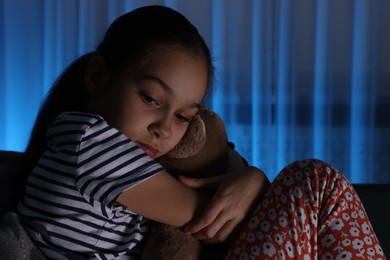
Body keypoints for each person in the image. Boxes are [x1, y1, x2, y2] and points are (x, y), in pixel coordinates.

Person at [16, 5, 384, 260]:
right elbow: (218, 221)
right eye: (150, 98)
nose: (163, 129)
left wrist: (251, 177)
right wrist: (253, 181)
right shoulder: (87, 141)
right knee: (314, 180)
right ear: (98, 77)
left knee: (314, 182)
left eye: (183, 117)